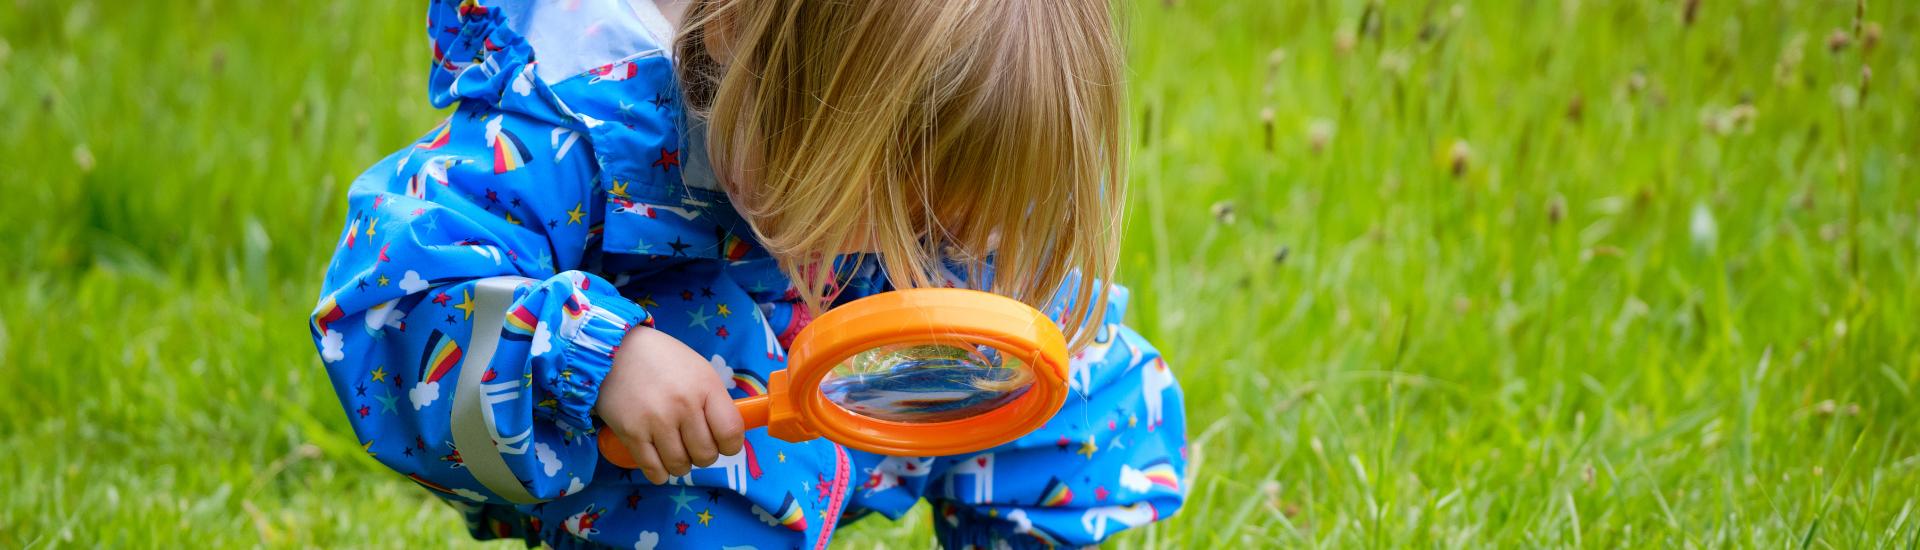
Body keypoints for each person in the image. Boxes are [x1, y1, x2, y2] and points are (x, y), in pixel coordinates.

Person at [309, 1, 1186, 547]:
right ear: (731, 43)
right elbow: (389, 297)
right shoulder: (584, 129)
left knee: (1081, 381)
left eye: (935, 223)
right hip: (681, 453)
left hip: (877, 399)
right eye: (858, 201)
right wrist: (595, 358)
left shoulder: (938, 134)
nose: (893, 250)